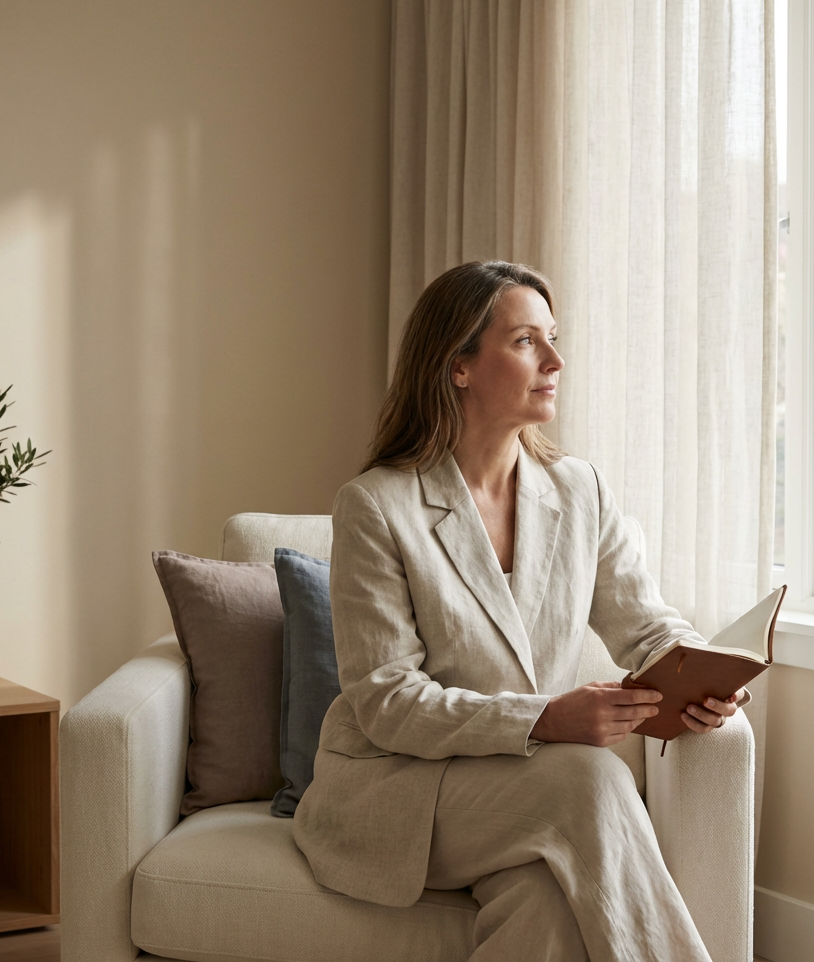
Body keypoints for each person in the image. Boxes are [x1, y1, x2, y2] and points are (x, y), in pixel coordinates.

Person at [293, 260, 742, 962]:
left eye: (553, 339)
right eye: (527, 341)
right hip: (399, 791)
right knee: (590, 777)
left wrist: (700, 673)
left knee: (545, 899)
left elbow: (646, 622)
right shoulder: (377, 505)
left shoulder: (578, 490)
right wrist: (545, 717)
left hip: (526, 795)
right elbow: (386, 701)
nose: (557, 361)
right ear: (459, 366)